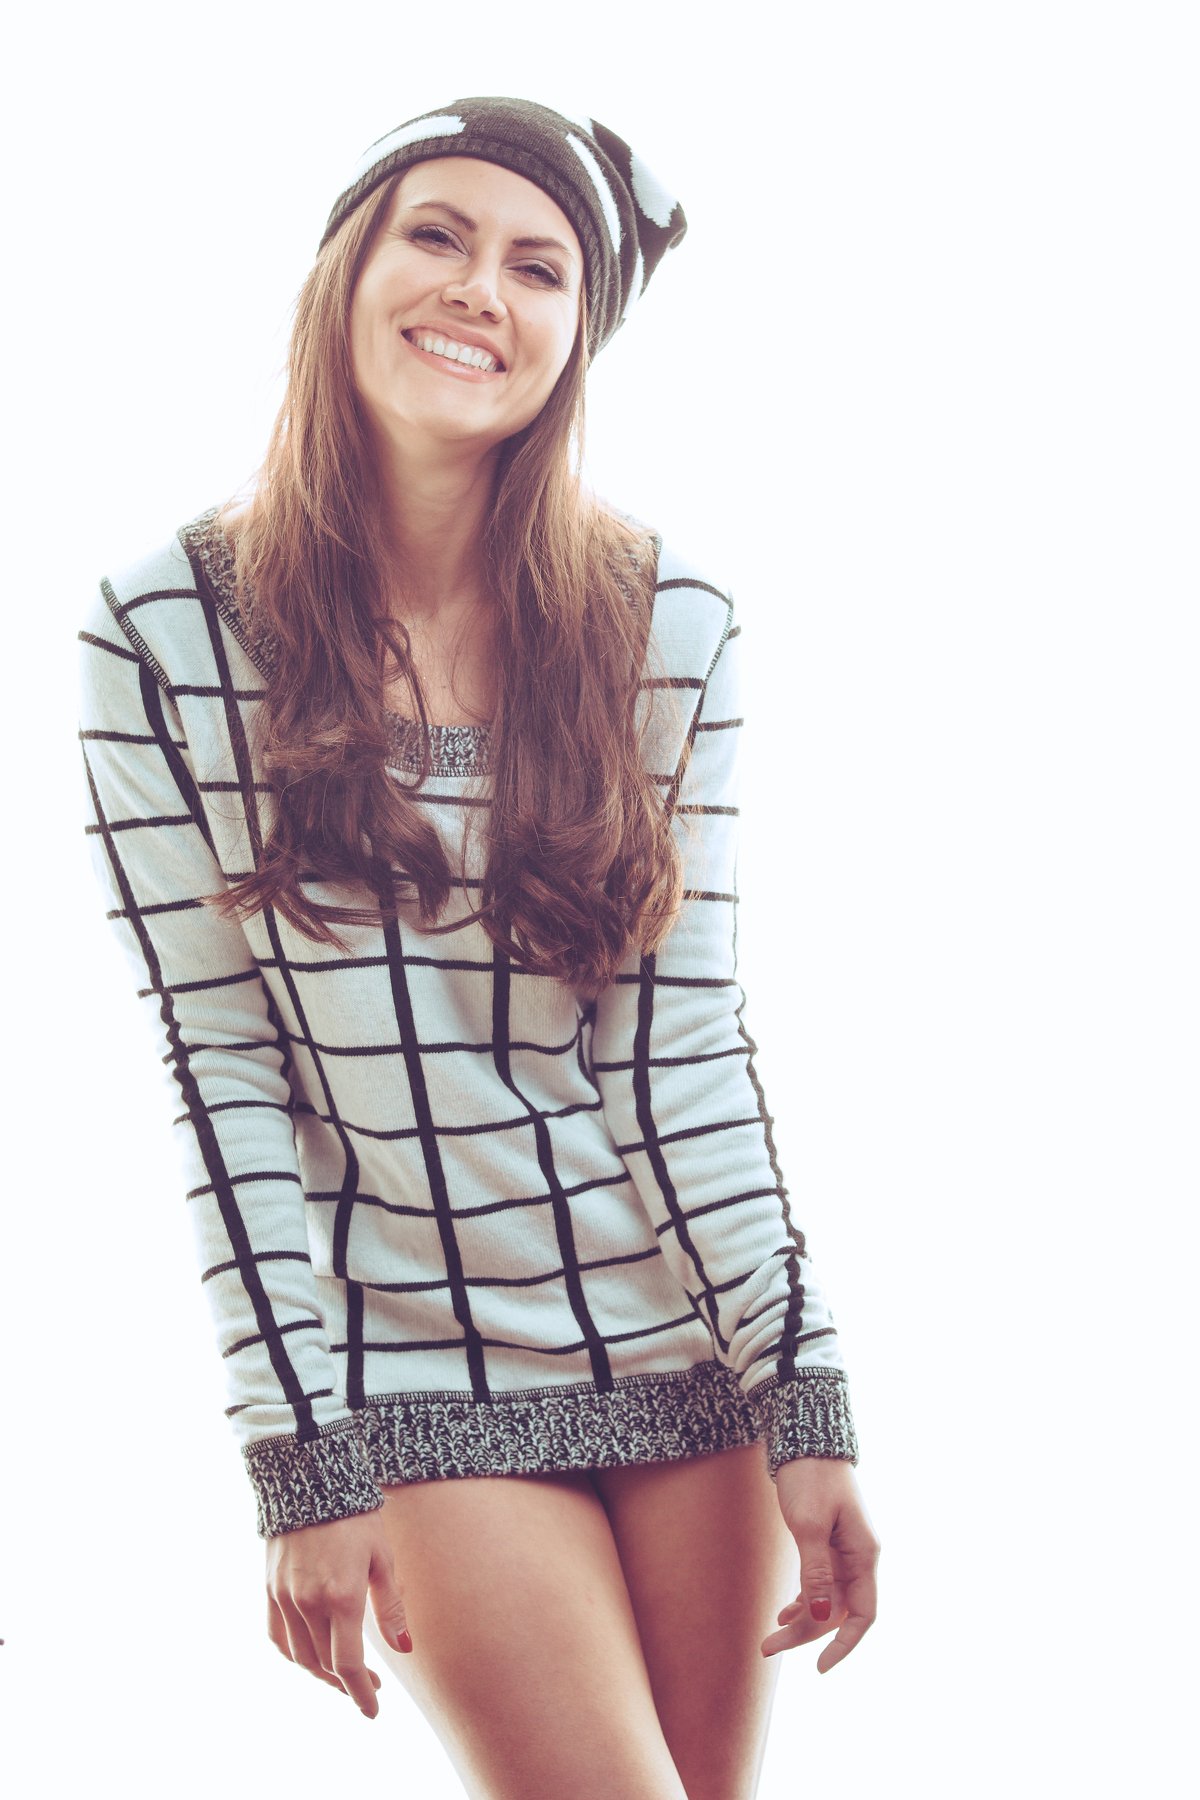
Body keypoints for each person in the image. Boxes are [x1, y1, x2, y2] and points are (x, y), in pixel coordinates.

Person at [76, 95, 880, 1799]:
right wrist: (297, 1451)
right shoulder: (160, 626)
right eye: (434, 234)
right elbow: (220, 1067)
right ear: (347, 268)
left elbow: (685, 1053)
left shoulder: (668, 619)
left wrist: (804, 1389)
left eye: (538, 266)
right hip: (412, 1358)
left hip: (685, 1352)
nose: (477, 290)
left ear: (577, 337)